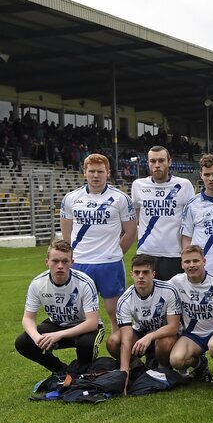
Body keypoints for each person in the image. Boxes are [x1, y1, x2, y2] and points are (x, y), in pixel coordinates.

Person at [60, 153, 138, 326]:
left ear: (108, 173)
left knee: (115, 312)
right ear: (84, 172)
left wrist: (115, 252)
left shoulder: (121, 198)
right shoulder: (71, 198)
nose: (96, 175)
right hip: (80, 262)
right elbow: (66, 230)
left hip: (110, 263)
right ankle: (85, 344)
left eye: (100, 172)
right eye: (92, 171)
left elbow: (131, 231)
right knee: (79, 313)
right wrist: (73, 254)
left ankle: (119, 343)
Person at [16, 239, 103, 376]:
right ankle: (61, 370)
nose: (60, 266)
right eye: (55, 261)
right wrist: (37, 338)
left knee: (86, 345)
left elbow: (92, 323)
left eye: (65, 261)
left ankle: (82, 372)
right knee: (23, 343)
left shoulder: (85, 283)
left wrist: (59, 335)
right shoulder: (37, 283)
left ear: (72, 262)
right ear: (47, 262)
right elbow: (28, 318)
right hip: (57, 325)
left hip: (84, 327)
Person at [109, 254, 182, 374]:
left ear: (153, 274)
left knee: (165, 343)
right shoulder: (124, 300)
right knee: (113, 341)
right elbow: (126, 339)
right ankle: (136, 367)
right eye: (137, 272)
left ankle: (163, 369)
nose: (141, 276)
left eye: (145, 272)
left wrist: (150, 337)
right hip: (140, 333)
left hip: (164, 334)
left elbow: (173, 327)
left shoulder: (169, 291)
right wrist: (124, 369)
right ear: (132, 274)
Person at [168, 245, 213, 380]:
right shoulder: (176, 282)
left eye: (196, 261)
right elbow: (161, 292)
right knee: (176, 361)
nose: (191, 265)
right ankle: (200, 365)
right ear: (182, 264)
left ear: (204, 261)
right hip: (193, 334)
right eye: (187, 262)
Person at [132, 145, 195, 280]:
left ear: (169, 162)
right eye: (153, 161)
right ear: (148, 163)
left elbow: (191, 221)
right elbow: (135, 216)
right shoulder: (138, 185)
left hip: (174, 254)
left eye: (161, 160)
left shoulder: (184, 185)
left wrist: (187, 253)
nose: (157, 165)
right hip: (146, 252)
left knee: (174, 293)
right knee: (146, 293)